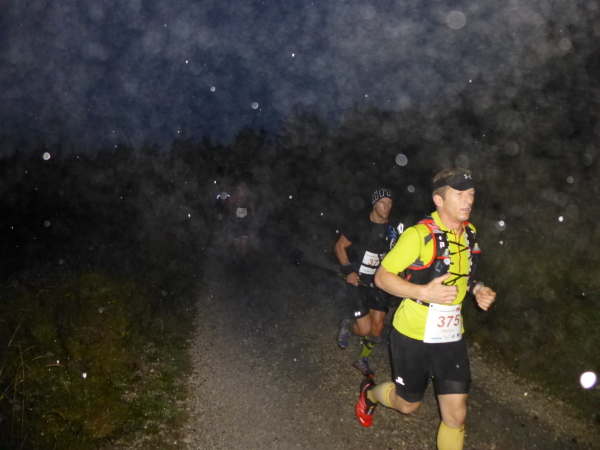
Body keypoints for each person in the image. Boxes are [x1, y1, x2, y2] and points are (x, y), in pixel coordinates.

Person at [355, 168, 496, 450]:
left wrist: (478, 289)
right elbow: (382, 277)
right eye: (459, 194)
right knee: (407, 405)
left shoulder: (469, 234)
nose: (469, 200)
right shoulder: (419, 235)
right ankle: (369, 395)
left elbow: (464, 276)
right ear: (439, 200)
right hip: (412, 334)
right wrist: (422, 292)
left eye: (471, 194)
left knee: (456, 414)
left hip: (451, 336)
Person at [334, 188, 404, 377]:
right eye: (382, 203)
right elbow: (340, 246)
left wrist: (400, 281)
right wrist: (349, 270)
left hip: (379, 282)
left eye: (389, 203)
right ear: (374, 204)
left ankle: (361, 359)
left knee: (377, 327)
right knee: (364, 329)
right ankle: (348, 326)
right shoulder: (360, 224)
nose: (386, 207)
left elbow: (400, 256)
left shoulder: (394, 229)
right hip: (357, 281)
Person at [225, 180, 255, 263]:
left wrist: (250, 209)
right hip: (235, 223)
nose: (242, 189)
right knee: (238, 243)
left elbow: (252, 211)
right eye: (240, 187)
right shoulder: (233, 197)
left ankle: (245, 260)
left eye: (244, 187)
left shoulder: (249, 198)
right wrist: (234, 207)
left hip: (245, 223)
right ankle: (239, 260)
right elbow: (228, 209)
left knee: (245, 243)